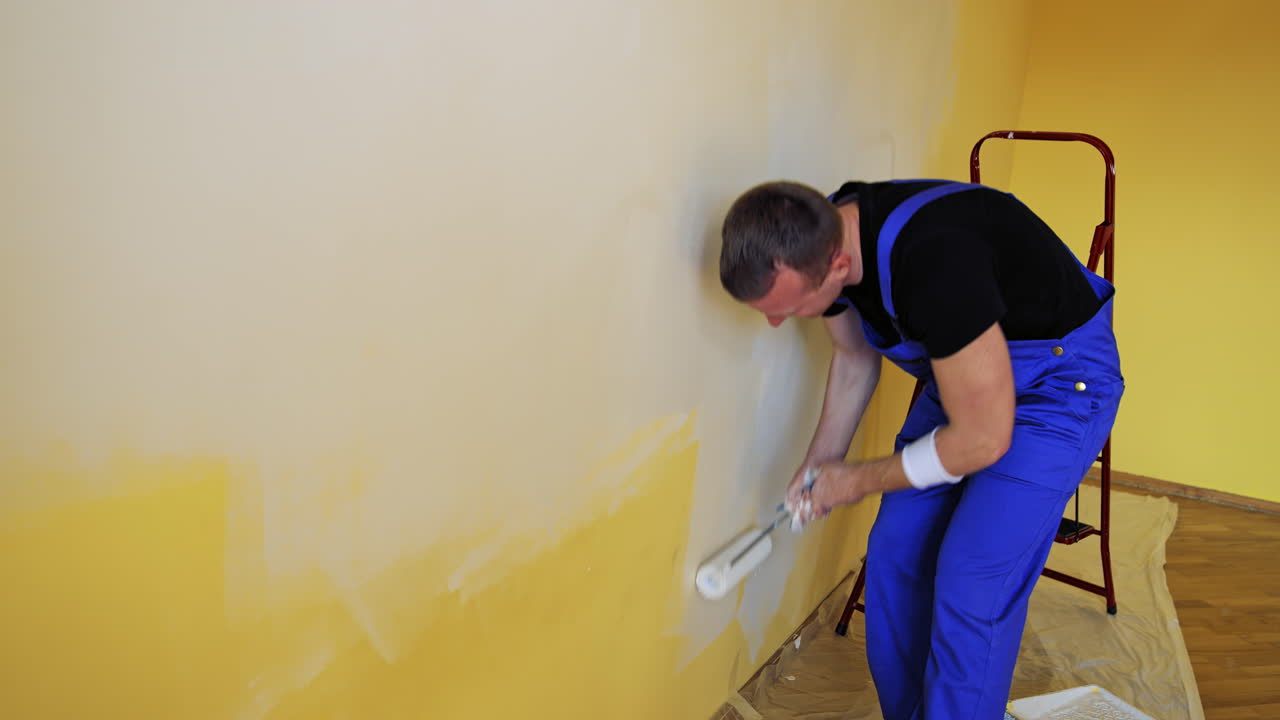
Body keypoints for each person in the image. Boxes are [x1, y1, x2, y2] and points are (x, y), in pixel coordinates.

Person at [717, 178, 1124, 719]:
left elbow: (982, 438)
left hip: (1055, 386)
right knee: (895, 554)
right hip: (965, 373)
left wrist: (856, 480)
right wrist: (822, 464)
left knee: (971, 580)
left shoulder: (936, 267)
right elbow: (855, 357)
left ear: (837, 267)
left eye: (788, 309)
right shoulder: (828, 228)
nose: (774, 322)